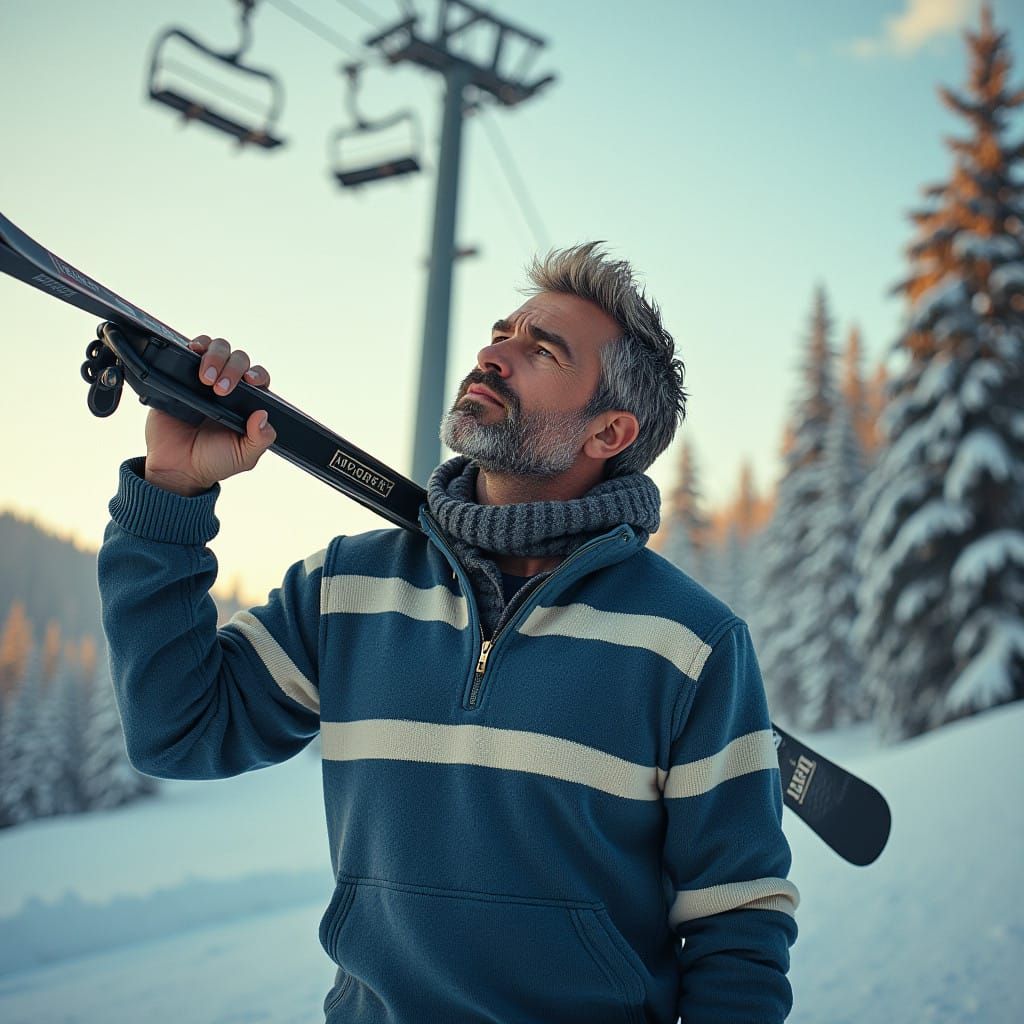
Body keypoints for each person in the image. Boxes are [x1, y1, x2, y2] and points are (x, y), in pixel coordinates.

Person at [98, 243, 798, 1023]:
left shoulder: (689, 643)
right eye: (501, 332)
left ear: (608, 433)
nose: (493, 353)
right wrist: (171, 491)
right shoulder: (347, 590)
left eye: (541, 350)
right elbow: (177, 732)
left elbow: (737, 928)